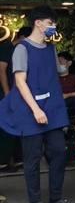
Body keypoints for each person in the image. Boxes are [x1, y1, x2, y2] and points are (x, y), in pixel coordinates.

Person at [0, 6, 75, 203]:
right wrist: (35, 109)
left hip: (52, 109)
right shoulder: (22, 48)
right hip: (30, 110)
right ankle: (35, 201)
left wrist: (65, 67)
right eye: (50, 23)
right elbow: (20, 81)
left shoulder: (51, 48)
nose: (53, 27)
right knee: (32, 157)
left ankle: (56, 198)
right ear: (38, 23)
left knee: (58, 153)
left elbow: (55, 73)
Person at [0, 26, 31, 171]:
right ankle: (4, 162)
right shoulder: (7, 48)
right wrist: (7, 93)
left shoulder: (23, 51)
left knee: (18, 125)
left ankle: (18, 160)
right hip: (8, 94)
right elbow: (2, 71)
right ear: (22, 36)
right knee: (6, 127)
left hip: (19, 94)